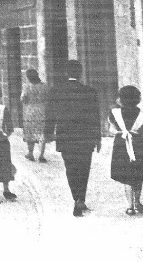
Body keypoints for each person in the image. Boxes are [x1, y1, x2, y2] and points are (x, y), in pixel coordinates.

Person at [45, 60, 102, 217]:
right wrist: (98, 138)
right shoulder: (90, 92)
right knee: (84, 168)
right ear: (80, 73)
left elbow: (49, 115)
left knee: (70, 168)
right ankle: (81, 198)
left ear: (66, 73)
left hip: (66, 136)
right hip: (86, 137)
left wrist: (48, 133)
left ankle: (76, 198)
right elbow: (95, 117)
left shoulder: (56, 91)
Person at [109, 85, 143, 215]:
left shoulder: (114, 113)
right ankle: (137, 201)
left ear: (121, 99)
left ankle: (130, 206)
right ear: (137, 99)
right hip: (138, 145)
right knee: (138, 174)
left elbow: (111, 130)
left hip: (121, 145)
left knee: (126, 175)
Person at [21, 69, 50, 163]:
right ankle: (41, 155)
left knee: (30, 132)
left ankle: (30, 153)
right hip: (42, 110)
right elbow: (48, 98)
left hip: (29, 111)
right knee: (41, 133)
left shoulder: (26, 86)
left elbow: (23, 99)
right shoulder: (45, 86)